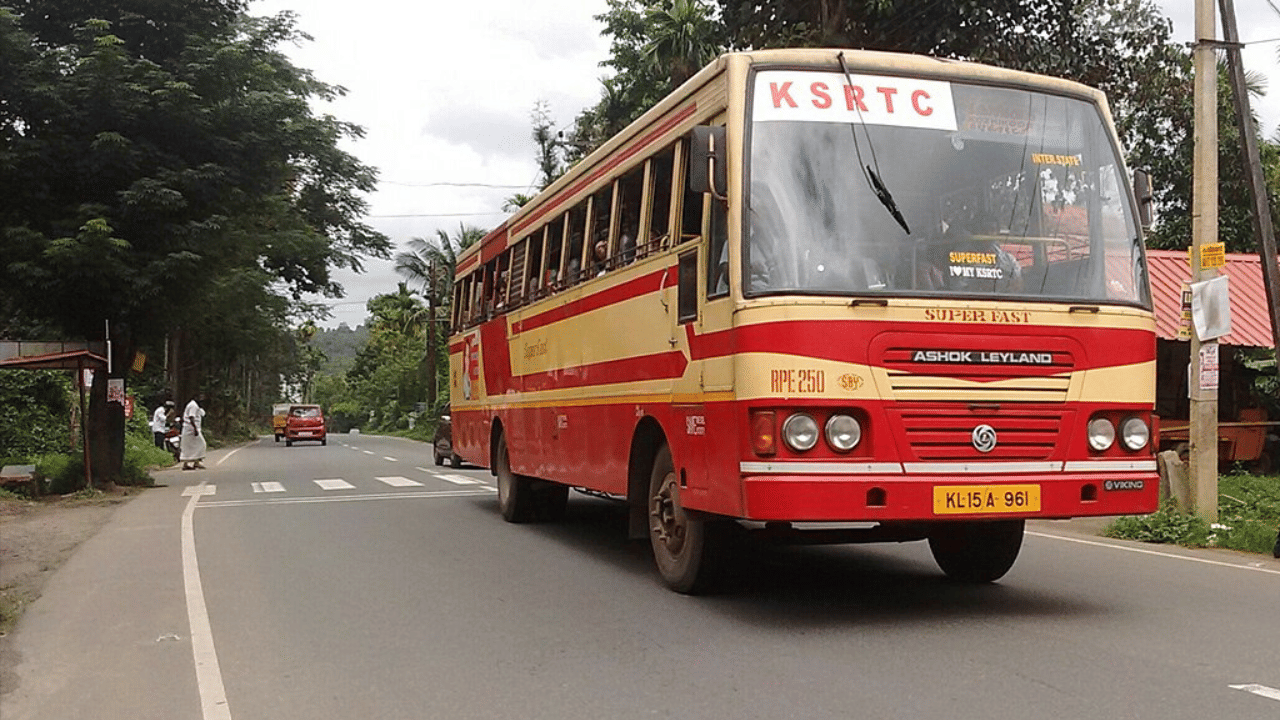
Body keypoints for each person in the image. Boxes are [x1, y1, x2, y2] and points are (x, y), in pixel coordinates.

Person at [180, 393, 207, 470]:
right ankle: (193, 463)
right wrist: (195, 429)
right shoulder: (193, 405)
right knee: (202, 444)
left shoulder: (194, 405)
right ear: (196, 397)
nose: (202, 400)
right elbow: (191, 417)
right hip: (191, 429)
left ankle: (194, 463)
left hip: (190, 428)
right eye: (200, 397)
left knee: (189, 446)